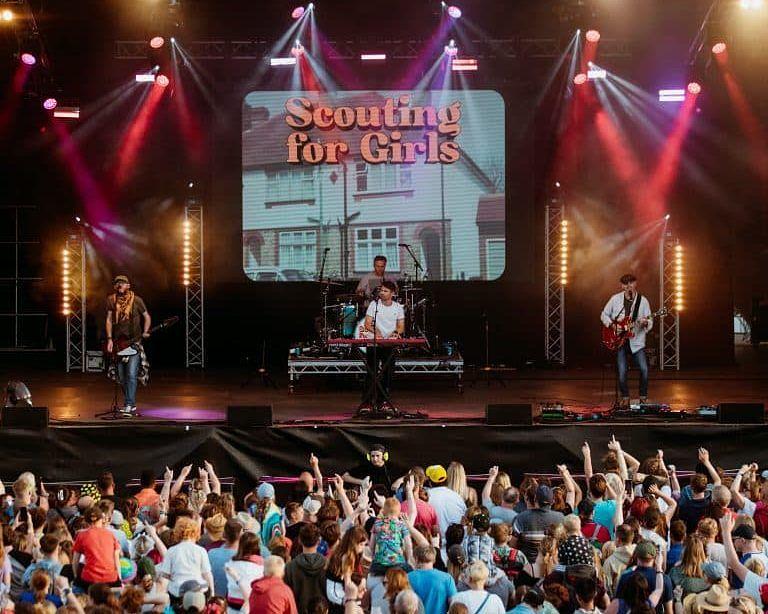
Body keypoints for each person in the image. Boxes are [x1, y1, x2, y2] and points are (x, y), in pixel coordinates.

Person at [600, 273, 653, 407]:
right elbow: (604, 314)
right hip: (620, 341)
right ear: (621, 286)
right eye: (625, 283)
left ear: (636, 284)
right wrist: (613, 325)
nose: (628, 285)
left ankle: (643, 397)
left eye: (631, 282)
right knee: (622, 371)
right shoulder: (615, 299)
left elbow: (649, 320)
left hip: (637, 341)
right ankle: (625, 397)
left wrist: (645, 323)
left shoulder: (643, 301)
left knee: (644, 369)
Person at [105, 274, 151, 415]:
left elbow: (147, 316)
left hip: (134, 343)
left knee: (131, 374)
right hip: (119, 344)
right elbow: (108, 320)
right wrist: (109, 339)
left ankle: (129, 404)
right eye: (117, 283)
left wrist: (145, 331)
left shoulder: (137, 300)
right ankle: (130, 402)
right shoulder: (111, 300)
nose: (120, 285)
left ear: (128, 286)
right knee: (120, 376)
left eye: (123, 283)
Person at [358, 280, 405, 413]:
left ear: (393, 293)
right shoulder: (374, 304)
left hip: (389, 344)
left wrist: (395, 333)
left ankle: (383, 402)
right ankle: (367, 403)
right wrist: (376, 332)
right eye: (381, 290)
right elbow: (367, 324)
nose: (382, 293)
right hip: (374, 343)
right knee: (371, 372)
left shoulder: (398, 307)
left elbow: (401, 326)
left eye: (385, 291)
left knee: (387, 373)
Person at [157, 516, 215, 606]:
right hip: (199, 592)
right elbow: (207, 574)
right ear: (196, 532)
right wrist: (212, 594)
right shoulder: (201, 550)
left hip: (177, 593)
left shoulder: (171, 551)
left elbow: (165, 577)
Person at [510, 485, 565, 564]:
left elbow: (513, 545)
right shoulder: (561, 518)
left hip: (527, 565)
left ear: (535, 499)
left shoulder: (521, 517)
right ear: (553, 501)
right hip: (553, 564)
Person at [71, 506, 121, 591]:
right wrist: (119, 579)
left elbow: (75, 561)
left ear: (86, 521)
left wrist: (76, 577)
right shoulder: (110, 534)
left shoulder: (81, 535)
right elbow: (116, 560)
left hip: (90, 579)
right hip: (111, 578)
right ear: (101, 519)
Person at [285, 523, 326, 614]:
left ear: (300, 540)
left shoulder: (290, 567)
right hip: (322, 610)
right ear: (319, 541)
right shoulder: (327, 565)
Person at [425, 465, 467, 545]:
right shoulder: (457, 497)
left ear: (429, 481)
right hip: (456, 545)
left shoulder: (425, 497)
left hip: (433, 545)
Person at [408, 545, 457, 614]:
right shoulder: (447, 578)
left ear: (416, 559)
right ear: (434, 560)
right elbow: (454, 605)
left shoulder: (408, 577)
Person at [224, 532, 264, 613]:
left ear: (240, 545)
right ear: (257, 546)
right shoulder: (261, 566)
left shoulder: (230, 563)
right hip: (250, 604)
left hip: (232, 603)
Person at [209, 518, 243, 597]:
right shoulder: (245, 556)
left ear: (224, 533)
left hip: (216, 600)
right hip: (236, 601)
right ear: (241, 534)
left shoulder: (211, 553)